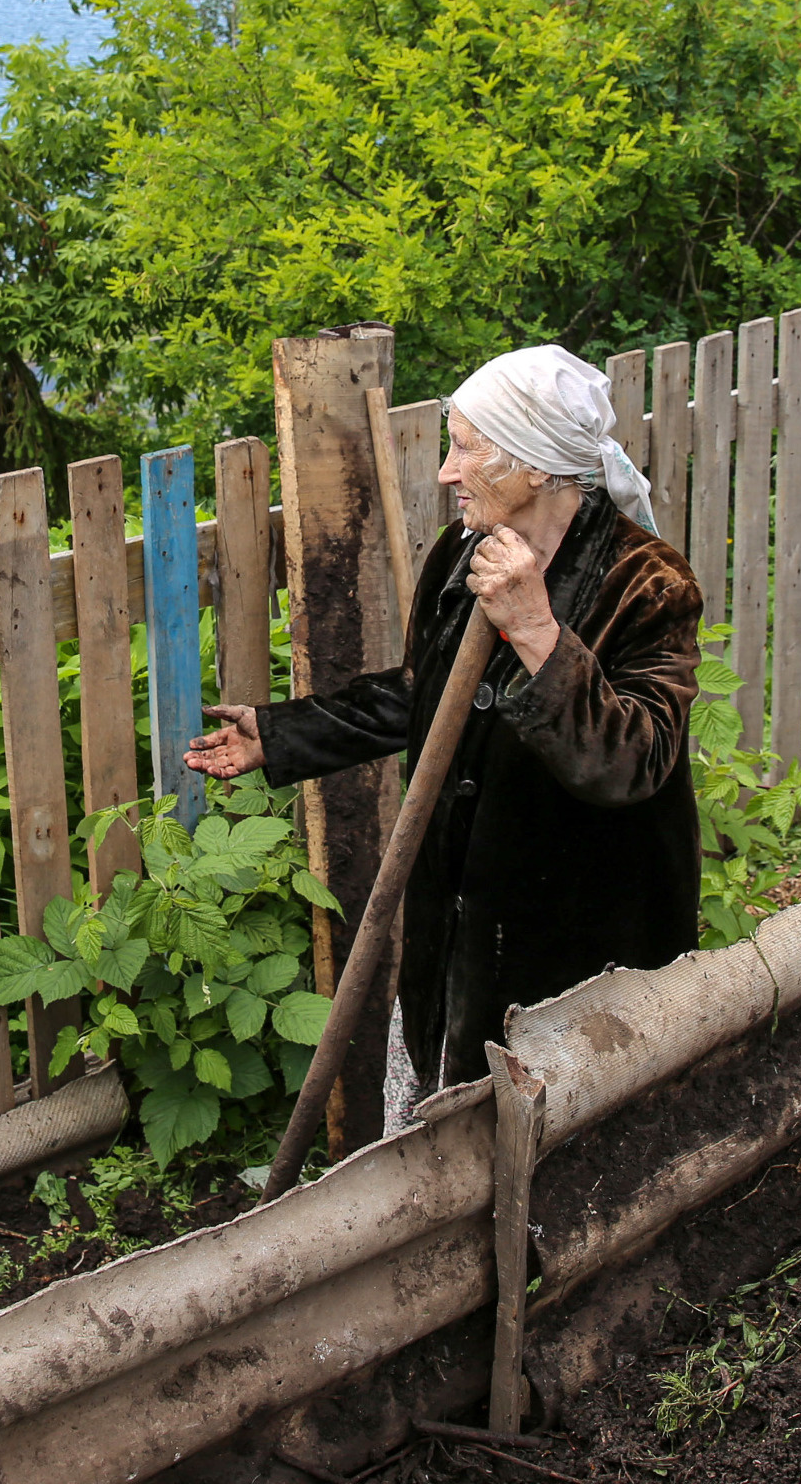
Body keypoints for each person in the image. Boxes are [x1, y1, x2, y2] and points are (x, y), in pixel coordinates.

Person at [186, 344, 705, 1093]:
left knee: (569, 1150)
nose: (445, 471)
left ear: (535, 465)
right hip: (458, 925)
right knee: (450, 1131)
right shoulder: (465, 555)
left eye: (466, 448)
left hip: (585, 943)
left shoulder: (648, 586)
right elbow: (423, 692)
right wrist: (280, 735)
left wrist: (536, 632)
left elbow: (632, 764)